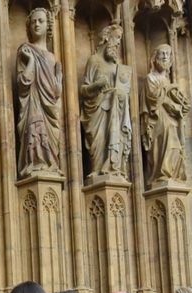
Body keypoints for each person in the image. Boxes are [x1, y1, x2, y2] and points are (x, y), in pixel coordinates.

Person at [79, 24, 132, 179]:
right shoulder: (94, 61)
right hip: (98, 111)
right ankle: (98, 170)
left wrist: (120, 95)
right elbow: (83, 90)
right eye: (116, 38)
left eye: (120, 40)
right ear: (107, 37)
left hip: (115, 112)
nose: (117, 43)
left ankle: (113, 167)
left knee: (114, 140)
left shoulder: (117, 68)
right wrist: (96, 85)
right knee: (98, 144)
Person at [15, 7, 64, 177]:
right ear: (28, 27)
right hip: (33, 103)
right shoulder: (25, 51)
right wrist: (30, 62)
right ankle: (35, 163)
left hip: (49, 109)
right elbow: (23, 84)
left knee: (50, 139)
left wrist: (58, 83)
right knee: (35, 131)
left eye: (41, 21)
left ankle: (50, 164)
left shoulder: (52, 58)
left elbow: (56, 94)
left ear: (48, 26)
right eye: (33, 21)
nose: (36, 24)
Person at [141, 44, 189, 185]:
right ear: (154, 59)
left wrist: (181, 107)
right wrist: (169, 94)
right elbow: (153, 98)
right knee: (165, 137)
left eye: (168, 55)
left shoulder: (168, 81)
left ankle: (171, 173)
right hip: (158, 118)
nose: (165, 57)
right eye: (162, 54)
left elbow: (176, 100)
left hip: (172, 118)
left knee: (175, 144)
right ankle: (160, 173)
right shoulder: (150, 78)